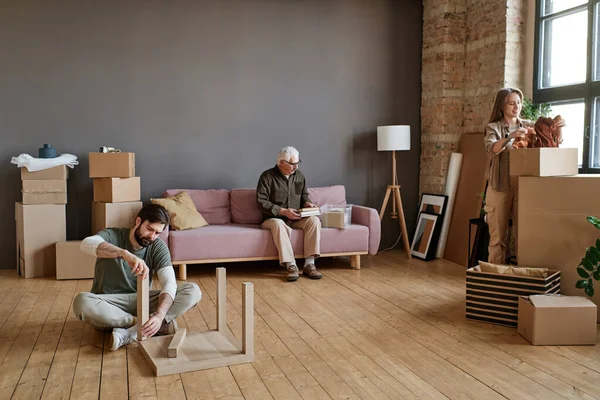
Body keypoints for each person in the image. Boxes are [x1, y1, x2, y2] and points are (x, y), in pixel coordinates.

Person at [72, 204, 202, 351]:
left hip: (142, 301)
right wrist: (124, 254)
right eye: (150, 229)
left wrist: (159, 315)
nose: (152, 236)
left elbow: (169, 284)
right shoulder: (113, 235)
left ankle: (137, 329)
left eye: (157, 233)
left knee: (193, 290)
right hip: (109, 304)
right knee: (81, 302)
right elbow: (86, 244)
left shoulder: (157, 247)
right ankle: (145, 325)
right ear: (138, 221)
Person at [257, 146, 323, 282]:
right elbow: (261, 202)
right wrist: (282, 211)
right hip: (272, 218)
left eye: (298, 163)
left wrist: (307, 204)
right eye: (293, 164)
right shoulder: (267, 176)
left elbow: (304, 196)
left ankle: (310, 264)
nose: (296, 167)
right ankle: (291, 265)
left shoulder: (299, 176)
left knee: (314, 221)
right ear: (281, 162)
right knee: (279, 223)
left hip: (296, 217)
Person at [484, 87, 533, 264]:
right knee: (497, 239)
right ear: (502, 105)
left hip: (524, 187)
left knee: (525, 237)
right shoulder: (493, 127)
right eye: (512, 103)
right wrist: (509, 136)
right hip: (499, 186)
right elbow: (491, 149)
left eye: (519, 103)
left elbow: (546, 145)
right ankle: (495, 282)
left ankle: (522, 279)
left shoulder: (529, 126)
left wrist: (557, 128)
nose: (516, 107)